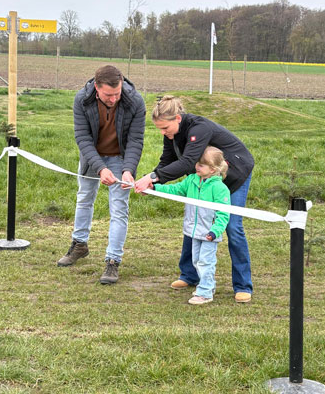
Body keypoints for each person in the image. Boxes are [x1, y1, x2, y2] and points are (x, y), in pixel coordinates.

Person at [134, 95, 254, 303]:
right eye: (160, 129)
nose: (163, 133)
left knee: (233, 227)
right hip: (204, 177)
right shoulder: (172, 135)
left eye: (165, 128)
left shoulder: (199, 129)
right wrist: (153, 182)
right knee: (195, 219)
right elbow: (167, 161)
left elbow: (188, 162)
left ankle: (243, 285)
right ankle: (189, 275)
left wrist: (152, 178)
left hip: (235, 174)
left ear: (177, 119)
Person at [57, 64, 146, 284]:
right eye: (108, 95)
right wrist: (100, 168)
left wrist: (127, 170)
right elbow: (83, 138)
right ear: (96, 87)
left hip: (120, 159)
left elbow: (135, 140)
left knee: (119, 209)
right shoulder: (81, 100)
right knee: (84, 198)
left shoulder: (135, 101)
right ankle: (79, 245)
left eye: (117, 94)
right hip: (92, 158)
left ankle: (113, 261)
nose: (114, 99)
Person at [146, 146, 230, 305]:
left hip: (209, 234)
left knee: (206, 262)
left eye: (201, 165)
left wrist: (214, 231)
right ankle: (208, 286)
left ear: (212, 170)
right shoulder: (191, 180)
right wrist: (155, 188)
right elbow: (175, 189)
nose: (197, 166)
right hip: (194, 232)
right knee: (196, 261)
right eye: (197, 163)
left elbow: (223, 215)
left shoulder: (220, 188)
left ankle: (205, 293)